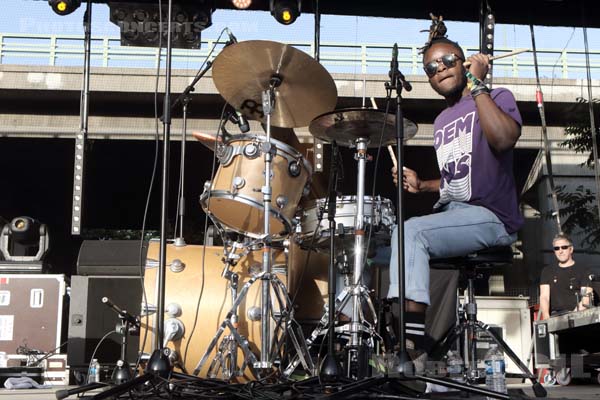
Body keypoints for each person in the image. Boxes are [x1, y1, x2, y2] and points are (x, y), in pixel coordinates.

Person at [386, 36, 524, 355]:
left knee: (410, 232)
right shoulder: (441, 122)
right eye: (431, 67)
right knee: (397, 235)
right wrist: (423, 185)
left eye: (448, 60)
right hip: (457, 214)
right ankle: (410, 339)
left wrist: (477, 84)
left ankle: (412, 345)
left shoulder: (496, 96)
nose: (441, 69)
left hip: (492, 217)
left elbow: (503, 140)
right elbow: (458, 180)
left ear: (464, 62)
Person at [539, 234, 592, 319]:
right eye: (557, 248)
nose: (560, 251)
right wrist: (546, 317)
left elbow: (586, 298)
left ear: (571, 249)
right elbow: (544, 296)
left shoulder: (583, 270)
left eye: (564, 247)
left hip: (578, 316)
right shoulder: (547, 271)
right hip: (555, 316)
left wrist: (573, 316)